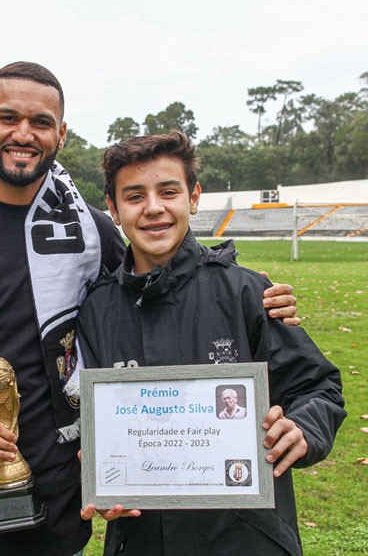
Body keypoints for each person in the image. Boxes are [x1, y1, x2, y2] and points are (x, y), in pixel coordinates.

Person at [0, 62, 299, 556]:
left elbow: (164, 272)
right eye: (7, 117)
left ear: (60, 134)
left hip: (57, 521)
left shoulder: (90, 230)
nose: (24, 133)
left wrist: (248, 288)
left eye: (41, 122)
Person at [77, 131, 346, 556]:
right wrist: (98, 472)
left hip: (247, 537)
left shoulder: (248, 294)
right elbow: (88, 422)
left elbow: (319, 386)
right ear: (112, 208)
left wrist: (303, 428)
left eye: (169, 191)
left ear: (194, 197)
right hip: (142, 539)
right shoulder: (96, 311)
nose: (153, 208)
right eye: (134, 196)